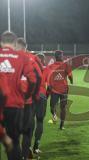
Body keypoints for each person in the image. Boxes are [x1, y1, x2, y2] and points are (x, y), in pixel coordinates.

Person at [0, 31, 36, 160]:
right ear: (15, 43)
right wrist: (26, 95)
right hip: (15, 105)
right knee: (14, 142)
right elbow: (32, 79)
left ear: (1, 43)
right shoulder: (23, 57)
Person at [15, 37, 43, 159]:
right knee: (27, 131)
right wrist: (36, 94)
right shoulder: (31, 59)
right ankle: (25, 156)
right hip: (27, 102)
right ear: (26, 47)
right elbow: (39, 77)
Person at [48, 50, 73, 130]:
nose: (63, 57)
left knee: (54, 107)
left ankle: (61, 124)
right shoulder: (65, 65)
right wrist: (71, 80)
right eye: (62, 55)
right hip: (62, 90)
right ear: (58, 56)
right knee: (62, 108)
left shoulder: (51, 66)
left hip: (57, 90)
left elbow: (48, 77)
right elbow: (70, 75)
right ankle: (58, 121)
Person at [32, 53, 49, 154]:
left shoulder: (29, 68)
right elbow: (50, 86)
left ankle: (27, 147)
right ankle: (36, 147)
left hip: (30, 96)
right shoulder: (47, 69)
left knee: (29, 121)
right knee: (40, 121)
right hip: (42, 96)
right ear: (43, 61)